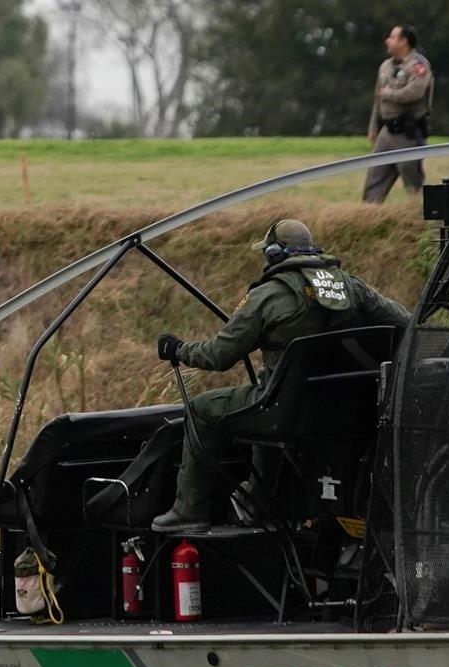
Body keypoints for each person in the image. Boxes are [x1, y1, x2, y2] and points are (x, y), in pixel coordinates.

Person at [151, 219, 411, 533]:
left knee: (203, 410)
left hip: (285, 413)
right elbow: (407, 323)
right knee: (269, 398)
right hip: (349, 415)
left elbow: (218, 356)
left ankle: (188, 511)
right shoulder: (351, 286)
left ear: (274, 254)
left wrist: (178, 349)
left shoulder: (267, 296)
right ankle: (257, 502)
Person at [362, 24, 434, 204]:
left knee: (414, 185)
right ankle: (368, 219)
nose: (388, 40)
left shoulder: (418, 66)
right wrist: (374, 127)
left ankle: (422, 219)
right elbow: (377, 100)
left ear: (404, 42)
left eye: (392, 37)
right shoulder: (385, 66)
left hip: (408, 134)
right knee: (374, 181)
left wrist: (389, 93)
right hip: (386, 132)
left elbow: (415, 92)